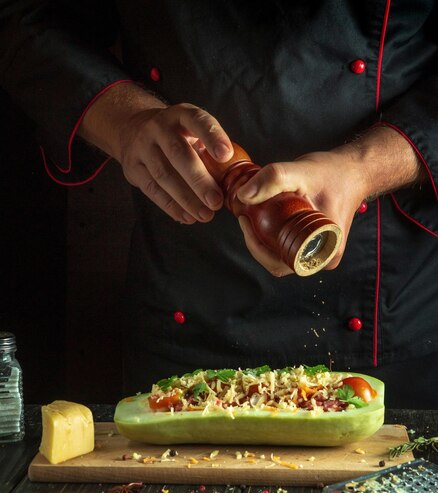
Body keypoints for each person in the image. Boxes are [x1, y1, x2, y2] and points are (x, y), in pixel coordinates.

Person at [0, 1, 437, 408]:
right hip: (186, 310)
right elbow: (28, 19)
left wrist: (362, 169)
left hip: (389, 322)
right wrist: (127, 121)